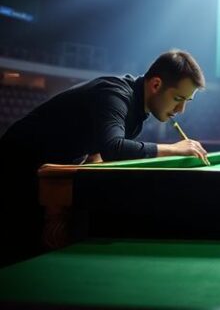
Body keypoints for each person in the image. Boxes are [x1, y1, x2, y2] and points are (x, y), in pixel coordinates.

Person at [0, 49, 208, 265]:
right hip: (16, 163)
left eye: (187, 101)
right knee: (17, 256)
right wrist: (174, 149)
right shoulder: (116, 95)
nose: (181, 109)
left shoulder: (137, 111)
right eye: (178, 98)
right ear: (156, 85)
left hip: (41, 168)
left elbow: (97, 154)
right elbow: (114, 148)